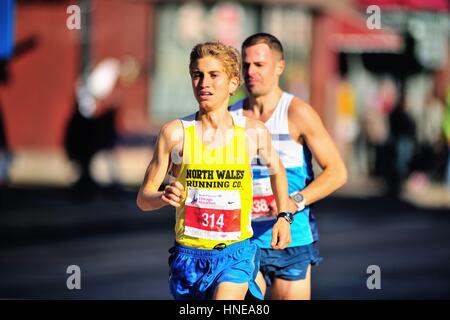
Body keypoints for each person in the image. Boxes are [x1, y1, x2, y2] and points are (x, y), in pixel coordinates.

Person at [137, 41, 292, 300]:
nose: (204, 83)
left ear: (233, 83)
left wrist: (284, 216)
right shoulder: (175, 133)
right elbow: (143, 199)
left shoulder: (252, 133)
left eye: (213, 75)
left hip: (235, 253)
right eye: (197, 75)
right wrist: (162, 196)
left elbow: (278, 170)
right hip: (189, 257)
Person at [229, 33, 348, 300]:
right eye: (246, 65)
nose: (250, 71)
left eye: (259, 65)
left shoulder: (297, 112)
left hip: (291, 238)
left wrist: (293, 201)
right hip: (242, 241)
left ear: (279, 67)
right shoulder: (231, 116)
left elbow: (337, 171)